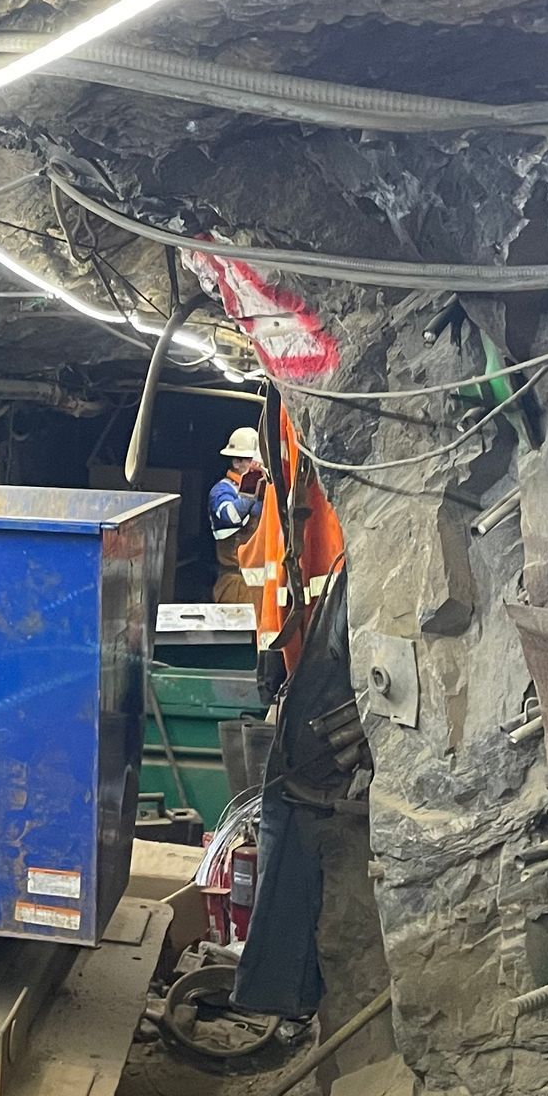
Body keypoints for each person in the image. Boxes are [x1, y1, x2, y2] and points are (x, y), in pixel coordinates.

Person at [227, 385, 359, 1040]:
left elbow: (280, 566)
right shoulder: (290, 458)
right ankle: (285, 994)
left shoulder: (301, 444)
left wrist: (274, 667)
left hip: (332, 640)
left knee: (292, 811)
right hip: (311, 643)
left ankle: (287, 995)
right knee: (287, 813)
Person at [208, 427, 264, 602]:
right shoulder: (222, 491)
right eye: (251, 460)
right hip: (235, 584)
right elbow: (230, 516)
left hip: (260, 586)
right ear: (236, 462)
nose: (256, 466)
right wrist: (249, 494)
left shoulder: (263, 491)